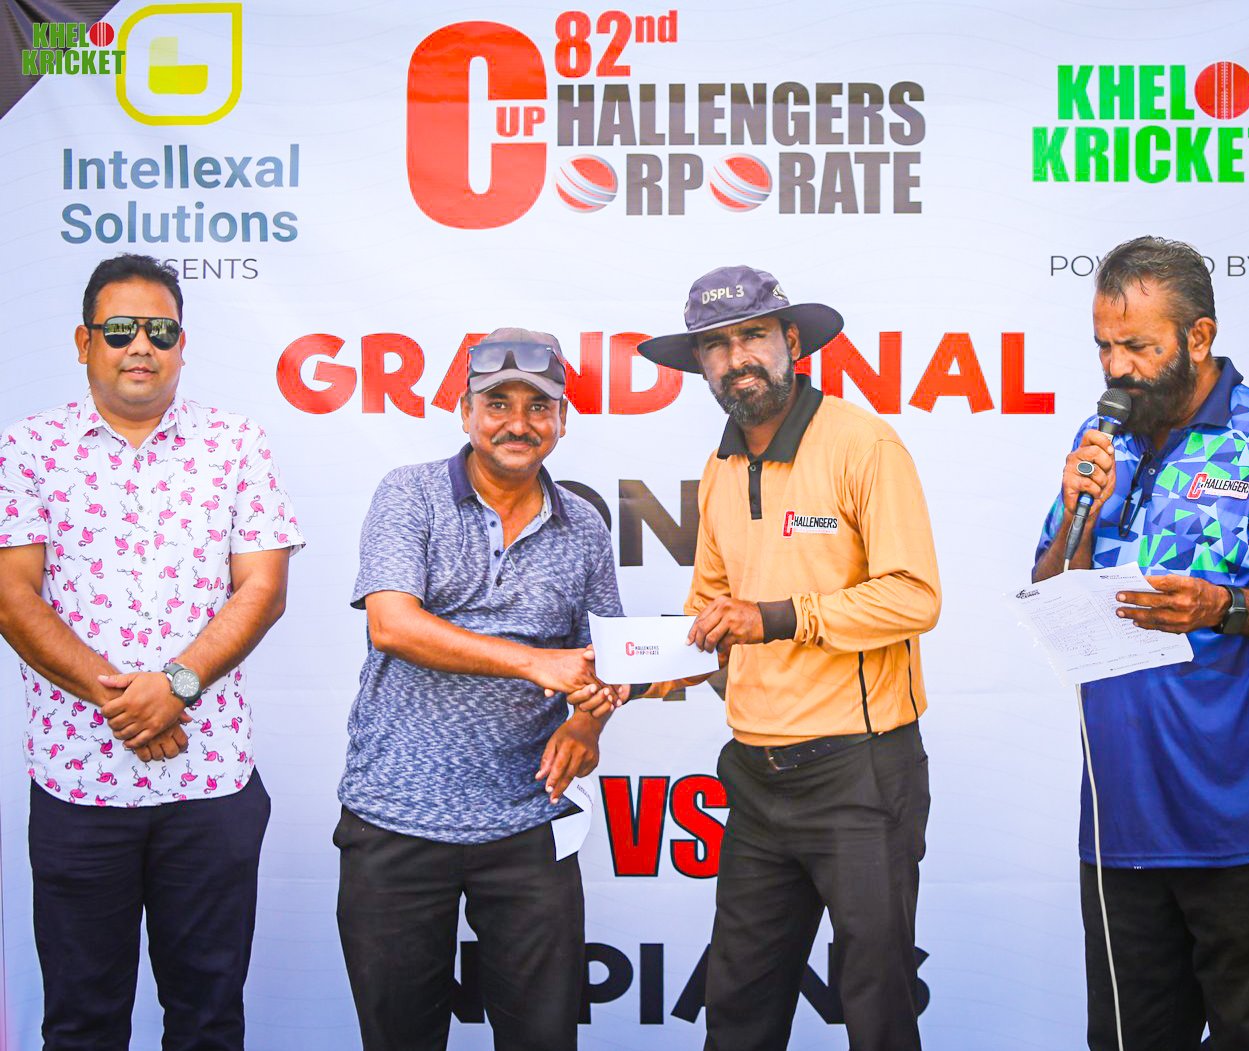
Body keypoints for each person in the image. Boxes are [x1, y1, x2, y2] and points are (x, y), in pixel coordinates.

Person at [1032, 236, 1249, 1051]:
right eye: (1103, 345)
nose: (1115, 368)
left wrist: (1225, 606)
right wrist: (1073, 512)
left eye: (1137, 346)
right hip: (1121, 826)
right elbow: (1050, 586)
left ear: (1198, 337)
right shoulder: (1100, 438)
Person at [632, 266, 941, 1051]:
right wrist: (638, 673)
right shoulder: (719, 467)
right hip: (756, 777)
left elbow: (914, 598)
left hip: (858, 774)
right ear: (698, 364)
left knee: (875, 1009)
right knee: (738, 1009)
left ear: (791, 342)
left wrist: (775, 617)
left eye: (752, 335)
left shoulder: (862, 442)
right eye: (715, 345)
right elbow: (711, 619)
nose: (736, 357)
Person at [0, 254, 302, 1051]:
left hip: (208, 784)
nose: (141, 345)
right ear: (84, 342)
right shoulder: (28, 448)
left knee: (207, 1022)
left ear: (181, 344)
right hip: (78, 785)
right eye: (121, 329)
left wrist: (176, 685)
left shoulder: (234, 443)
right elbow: (12, 597)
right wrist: (130, 703)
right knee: (81, 1024)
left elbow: (263, 588)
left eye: (160, 330)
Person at [335, 327, 625, 1051]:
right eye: (498, 403)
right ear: (465, 412)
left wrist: (586, 722)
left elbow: (605, 658)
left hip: (529, 820)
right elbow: (393, 625)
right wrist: (534, 663)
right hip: (396, 817)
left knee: (543, 1039)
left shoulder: (584, 525)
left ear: (561, 420)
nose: (518, 423)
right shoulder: (410, 493)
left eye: (538, 407)